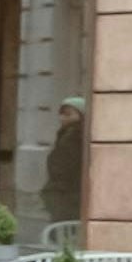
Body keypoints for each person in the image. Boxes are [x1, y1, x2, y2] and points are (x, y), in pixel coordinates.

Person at [38, 95, 82, 235]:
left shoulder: (74, 135)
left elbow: (65, 164)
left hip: (66, 193)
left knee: (63, 230)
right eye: (61, 114)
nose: (62, 118)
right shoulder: (67, 133)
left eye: (68, 114)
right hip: (64, 192)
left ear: (81, 115)